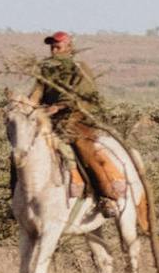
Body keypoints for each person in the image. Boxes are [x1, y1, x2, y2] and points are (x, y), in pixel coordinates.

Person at [33, 30, 128, 207]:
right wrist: (28, 106)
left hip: (77, 117)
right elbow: (37, 93)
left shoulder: (79, 67)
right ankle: (18, 197)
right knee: (23, 148)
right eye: (52, 47)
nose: (54, 50)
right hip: (51, 118)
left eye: (57, 46)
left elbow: (83, 95)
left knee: (82, 148)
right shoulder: (45, 69)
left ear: (68, 48)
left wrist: (59, 106)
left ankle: (106, 195)